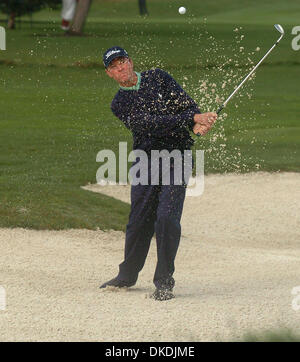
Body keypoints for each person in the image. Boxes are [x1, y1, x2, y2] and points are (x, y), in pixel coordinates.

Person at [100, 46, 217, 300]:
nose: (121, 68)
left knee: (166, 218)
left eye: (123, 62)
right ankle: (127, 275)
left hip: (178, 157)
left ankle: (164, 281)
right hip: (145, 161)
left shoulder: (158, 77)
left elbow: (186, 105)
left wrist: (197, 121)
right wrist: (192, 119)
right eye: (115, 67)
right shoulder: (119, 103)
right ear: (110, 74)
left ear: (131, 62)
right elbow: (147, 123)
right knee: (139, 221)